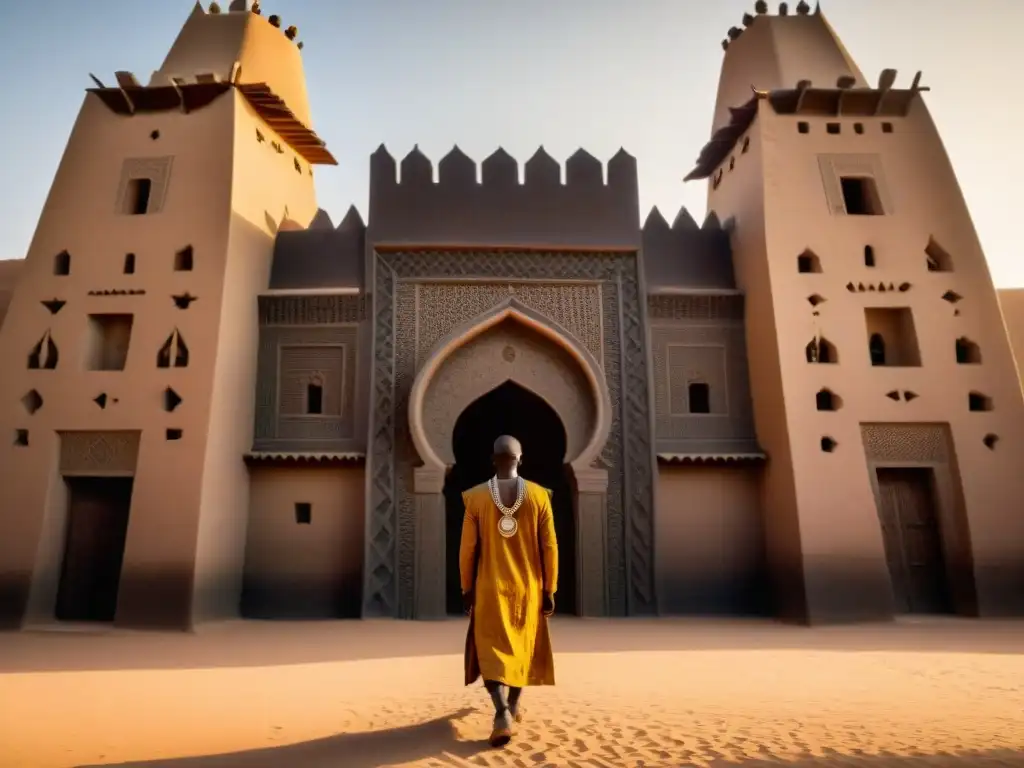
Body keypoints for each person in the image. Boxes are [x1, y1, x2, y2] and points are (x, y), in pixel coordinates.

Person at [459, 435, 558, 748]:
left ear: (493, 460)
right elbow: (550, 546)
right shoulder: (540, 496)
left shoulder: (476, 498)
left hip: (490, 587)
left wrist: (466, 587)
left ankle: (502, 710)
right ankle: (513, 706)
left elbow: (467, 550)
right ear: (521, 458)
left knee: (491, 650)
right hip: (528, 587)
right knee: (521, 647)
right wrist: (550, 587)